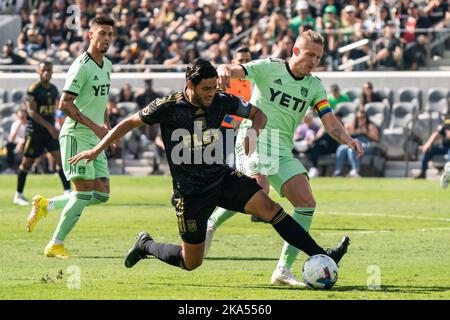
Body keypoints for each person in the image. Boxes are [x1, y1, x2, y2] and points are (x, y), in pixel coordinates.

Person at [68, 58, 351, 274]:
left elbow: (257, 113)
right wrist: (96, 149)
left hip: (223, 179)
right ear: (189, 85)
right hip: (190, 194)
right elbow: (128, 123)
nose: (211, 94)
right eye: (205, 89)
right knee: (192, 262)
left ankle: (320, 255)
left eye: (214, 88)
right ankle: (146, 245)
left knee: (270, 208)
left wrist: (253, 134)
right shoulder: (167, 107)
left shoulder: (221, 100)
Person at [206, 30, 362, 286]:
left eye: (318, 57)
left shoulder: (314, 85)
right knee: (259, 191)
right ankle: (212, 221)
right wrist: (224, 68)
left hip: (281, 150)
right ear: (296, 51)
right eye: (310, 54)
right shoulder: (269, 68)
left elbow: (329, 120)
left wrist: (348, 140)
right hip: (253, 138)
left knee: (306, 202)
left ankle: (282, 270)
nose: (314, 61)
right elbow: (238, 71)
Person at [25, 17, 115, 258]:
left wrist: (107, 127)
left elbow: (102, 100)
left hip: (97, 138)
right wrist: (95, 127)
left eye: (110, 34)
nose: (106, 38)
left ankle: (47, 205)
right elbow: (65, 104)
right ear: (91, 35)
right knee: (84, 193)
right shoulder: (81, 66)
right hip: (77, 135)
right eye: (102, 33)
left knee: (101, 194)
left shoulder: (107, 65)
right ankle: (55, 244)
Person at [12, 61, 71, 206]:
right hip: (35, 132)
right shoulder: (33, 89)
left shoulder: (54, 89)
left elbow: (56, 109)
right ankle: (18, 195)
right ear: (38, 72)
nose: (46, 72)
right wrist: (50, 127)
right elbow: (31, 112)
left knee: (59, 159)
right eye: (44, 70)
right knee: (27, 163)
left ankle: (68, 192)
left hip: (50, 131)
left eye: (49, 70)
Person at [333, 109, 379, 177]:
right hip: (353, 142)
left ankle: (355, 170)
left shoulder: (370, 126)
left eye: (363, 117)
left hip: (366, 144)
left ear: (366, 118)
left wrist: (366, 132)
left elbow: (376, 138)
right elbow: (347, 135)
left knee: (353, 149)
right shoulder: (353, 125)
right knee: (341, 149)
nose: (361, 119)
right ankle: (338, 171)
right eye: (358, 118)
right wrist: (356, 131)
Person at [306, 111, 345, 178]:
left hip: (335, 146)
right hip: (325, 145)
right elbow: (318, 136)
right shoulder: (327, 125)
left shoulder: (342, 126)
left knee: (325, 136)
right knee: (315, 146)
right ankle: (313, 168)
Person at [415, 115, 450, 182]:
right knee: (429, 150)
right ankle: (423, 172)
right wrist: (428, 144)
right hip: (444, 147)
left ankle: (448, 174)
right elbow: (436, 134)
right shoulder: (447, 123)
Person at [5, 109, 27, 174]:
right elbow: (12, 138)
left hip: (27, 142)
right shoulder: (15, 124)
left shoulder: (29, 123)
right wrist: (19, 124)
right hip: (17, 143)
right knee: (9, 145)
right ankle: (11, 167)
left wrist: (22, 142)